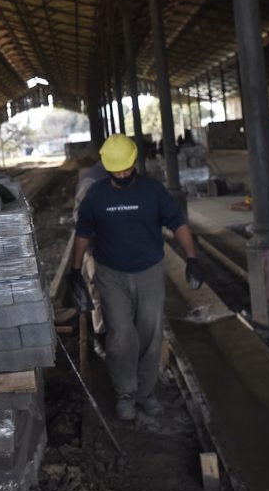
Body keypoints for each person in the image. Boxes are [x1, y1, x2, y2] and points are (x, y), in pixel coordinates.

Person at [69, 134, 204, 421]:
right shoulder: (95, 194)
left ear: (134, 162)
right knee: (120, 335)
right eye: (116, 170)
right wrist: (74, 272)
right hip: (111, 274)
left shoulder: (152, 191)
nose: (121, 174)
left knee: (150, 335)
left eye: (126, 168)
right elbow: (82, 234)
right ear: (107, 167)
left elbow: (178, 224)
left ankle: (147, 393)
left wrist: (192, 258)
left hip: (149, 272)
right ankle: (126, 393)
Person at [72, 158, 109, 359]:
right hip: (98, 248)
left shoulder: (121, 176)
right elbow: (81, 219)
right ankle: (100, 337)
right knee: (98, 292)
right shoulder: (92, 182)